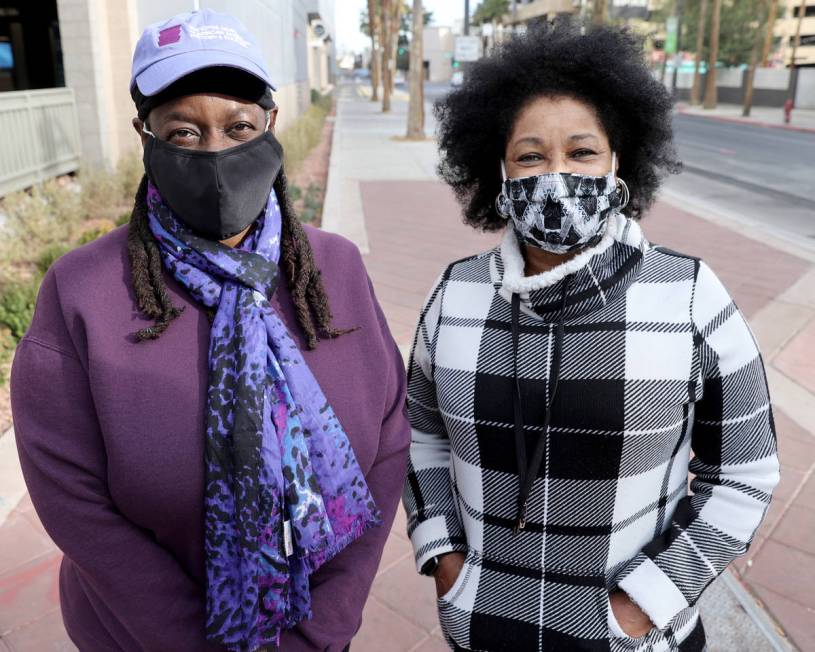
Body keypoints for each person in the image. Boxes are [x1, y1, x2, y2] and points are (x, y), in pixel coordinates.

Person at [12, 10, 410, 652]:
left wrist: (323, 627)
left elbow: (389, 439)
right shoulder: (82, 289)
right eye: (184, 131)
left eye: (238, 126)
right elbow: (71, 497)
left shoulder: (333, 268)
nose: (216, 153)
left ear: (270, 125)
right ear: (145, 135)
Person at [403, 22, 779, 652]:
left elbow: (744, 471)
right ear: (498, 169)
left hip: (640, 641)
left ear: (617, 161)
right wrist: (444, 562)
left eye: (581, 153)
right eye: (531, 155)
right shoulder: (454, 293)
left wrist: (640, 606)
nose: (556, 174)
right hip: (481, 633)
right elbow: (422, 437)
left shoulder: (688, 292)